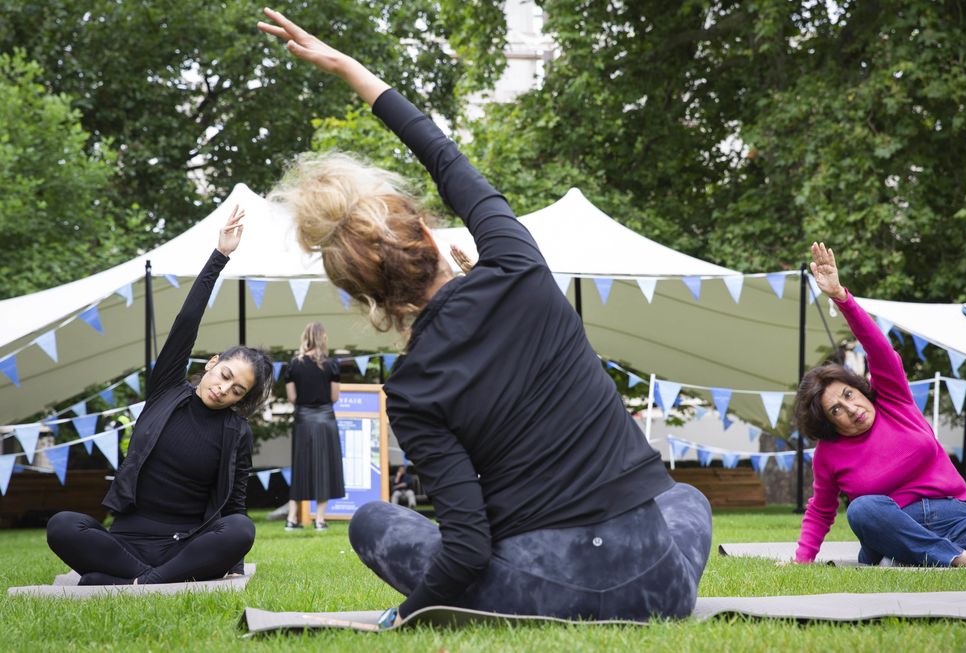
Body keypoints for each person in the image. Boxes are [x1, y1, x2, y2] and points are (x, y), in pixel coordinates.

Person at [259, 8, 712, 627]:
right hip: (659, 586)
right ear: (425, 230)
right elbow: (444, 157)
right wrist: (347, 67)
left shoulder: (414, 389)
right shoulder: (518, 264)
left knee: (370, 520)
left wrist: (408, 613)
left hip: (537, 593)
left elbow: (467, 549)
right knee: (685, 498)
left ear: (367, 300)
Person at [46, 206, 274, 585]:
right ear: (214, 362)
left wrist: (233, 560)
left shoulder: (236, 431)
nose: (223, 389)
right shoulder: (167, 389)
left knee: (241, 529)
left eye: (237, 390)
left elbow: (234, 504)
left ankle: (129, 582)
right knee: (62, 525)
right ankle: (156, 580)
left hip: (186, 544)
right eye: (225, 375)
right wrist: (220, 257)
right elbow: (186, 324)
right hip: (126, 540)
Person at [792, 242, 966, 567]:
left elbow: (877, 347)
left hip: (956, 521)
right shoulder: (828, 454)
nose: (850, 409)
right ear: (829, 424)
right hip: (888, 531)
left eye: (848, 395)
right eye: (835, 410)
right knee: (862, 509)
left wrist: (841, 297)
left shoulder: (894, 399)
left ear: (859, 389)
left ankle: (933, 556)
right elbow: (821, 510)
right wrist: (801, 559)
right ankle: (959, 561)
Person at [283, 322, 345, 530]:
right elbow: (335, 397)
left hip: (302, 420)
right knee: (324, 468)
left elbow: (292, 398)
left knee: (300, 467)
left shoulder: (293, 364)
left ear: (305, 338)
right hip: (326, 419)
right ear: (323, 338)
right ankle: (320, 520)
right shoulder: (332, 365)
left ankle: (292, 519)